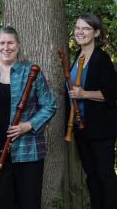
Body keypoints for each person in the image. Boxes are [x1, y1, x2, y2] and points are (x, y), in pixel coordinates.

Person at [0, 26, 56, 209]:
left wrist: (28, 125)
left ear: (18, 45)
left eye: (10, 43)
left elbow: (50, 104)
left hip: (28, 153)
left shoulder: (31, 73)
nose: (6, 47)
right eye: (2, 43)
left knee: (29, 204)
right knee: (2, 204)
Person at [66, 13, 117, 209]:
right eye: (78, 28)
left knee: (105, 176)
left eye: (86, 28)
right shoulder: (77, 56)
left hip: (101, 128)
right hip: (81, 128)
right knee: (92, 177)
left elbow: (112, 94)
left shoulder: (101, 59)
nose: (80, 32)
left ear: (96, 33)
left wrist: (85, 93)